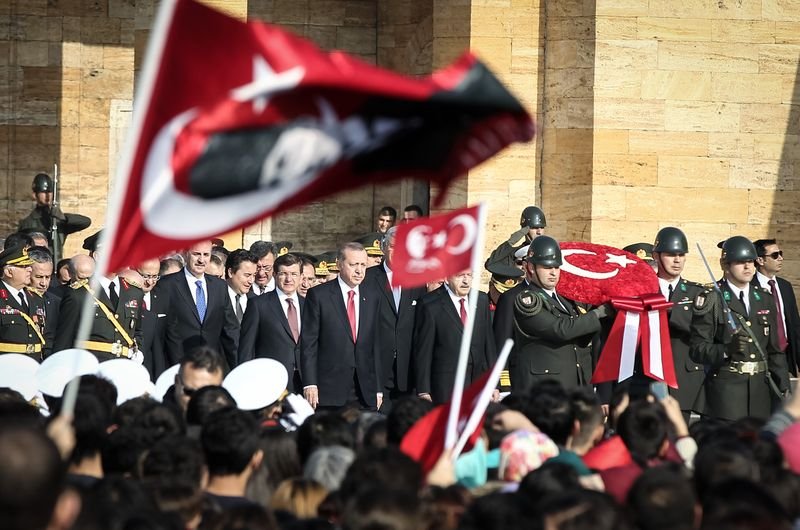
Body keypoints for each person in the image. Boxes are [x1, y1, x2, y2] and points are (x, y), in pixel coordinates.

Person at [690, 236, 790, 421]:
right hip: (726, 396)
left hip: (761, 394)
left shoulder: (764, 298)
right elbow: (697, 349)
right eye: (740, 262)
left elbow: (775, 350)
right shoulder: (712, 298)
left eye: (750, 261)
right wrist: (727, 350)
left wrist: (783, 385)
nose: (747, 267)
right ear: (725, 265)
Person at [511, 236, 611, 393]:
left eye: (556, 267)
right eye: (546, 267)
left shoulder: (566, 300)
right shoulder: (527, 300)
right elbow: (560, 330)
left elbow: (581, 336)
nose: (553, 273)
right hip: (544, 390)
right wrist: (601, 312)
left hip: (573, 386)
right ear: (531, 267)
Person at [301, 242, 381, 411]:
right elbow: (309, 343)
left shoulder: (372, 296)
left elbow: (376, 345)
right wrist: (310, 383)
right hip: (329, 390)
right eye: (353, 265)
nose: (359, 271)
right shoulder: (319, 295)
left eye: (363, 265)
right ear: (339, 264)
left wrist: (378, 388)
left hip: (364, 391)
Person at [363, 227, 428, 413]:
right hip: (377, 371)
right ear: (383, 247)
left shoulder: (418, 280)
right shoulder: (368, 279)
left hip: (408, 372)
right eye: (393, 246)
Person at [54, 233, 144, 362]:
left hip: (122, 365)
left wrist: (137, 349)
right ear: (97, 256)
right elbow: (64, 340)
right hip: (90, 366)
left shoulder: (134, 292)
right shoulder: (79, 293)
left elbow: (138, 331)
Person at [413, 269, 497, 404]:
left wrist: (494, 383)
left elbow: (489, 344)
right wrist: (423, 390)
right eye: (460, 276)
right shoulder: (430, 304)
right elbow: (423, 350)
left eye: (469, 275)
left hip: (477, 383)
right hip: (445, 386)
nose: (465, 281)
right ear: (447, 278)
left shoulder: (480, 300)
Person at [156, 240, 240, 368]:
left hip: (211, 366)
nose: (201, 260)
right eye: (196, 254)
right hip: (177, 366)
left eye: (206, 255)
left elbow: (230, 329)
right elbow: (160, 332)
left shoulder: (220, 286)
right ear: (186, 254)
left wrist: (238, 366)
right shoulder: (167, 285)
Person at [651, 227, 705, 417]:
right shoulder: (643, 291)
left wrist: (669, 311)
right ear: (655, 256)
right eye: (671, 254)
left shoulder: (697, 293)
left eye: (681, 255)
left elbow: (702, 329)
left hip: (685, 380)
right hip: (648, 380)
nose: (677, 260)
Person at [239, 253, 305, 392]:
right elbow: (246, 348)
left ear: (300, 276)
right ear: (274, 275)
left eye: (294, 274)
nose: (289, 279)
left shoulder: (310, 305)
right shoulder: (258, 305)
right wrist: (246, 381)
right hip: (269, 381)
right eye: (283, 274)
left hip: (304, 381)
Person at [753, 238, 800, 376]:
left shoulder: (785, 286)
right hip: (761, 359)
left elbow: (795, 326)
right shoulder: (750, 287)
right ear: (760, 260)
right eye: (774, 255)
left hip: (785, 359)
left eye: (780, 253)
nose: (780, 258)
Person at [17, 172, 91, 257]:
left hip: (57, 262)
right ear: (35, 195)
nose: (48, 195)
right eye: (43, 192)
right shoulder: (28, 222)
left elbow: (86, 222)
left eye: (50, 192)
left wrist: (64, 218)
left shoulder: (58, 219)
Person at [0, 246, 46, 359]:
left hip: (34, 364)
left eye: (29, 266)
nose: (30, 269)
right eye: (24, 266)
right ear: (9, 272)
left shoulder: (36, 298)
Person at [485, 205, 546, 269]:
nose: (539, 232)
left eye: (542, 227)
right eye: (534, 228)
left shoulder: (549, 249)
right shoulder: (516, 253)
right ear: (525, 229)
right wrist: (511, 242)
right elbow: (490, 264)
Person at [137, 258, 167, 379]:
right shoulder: (125, 296)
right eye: (146, 276)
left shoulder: (164, 297)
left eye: (155, 277)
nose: (150, 282)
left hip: (154, 367)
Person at [27, 246, 60, 357]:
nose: (44, 283)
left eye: (48, 277)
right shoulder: (17, 299)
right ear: (27, 273)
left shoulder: (56, 301)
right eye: (39, 277)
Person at [173, 344, 226, 412]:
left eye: (210, 393)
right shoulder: (159, 420)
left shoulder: (234, 420)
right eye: (190, 392)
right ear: (177, 382)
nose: (200, 401)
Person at [225, 249, 258, 324]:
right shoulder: (215, 297)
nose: (251, 281)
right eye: (247, 275)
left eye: (254, 275)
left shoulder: (255, 300)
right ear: (230, 272)